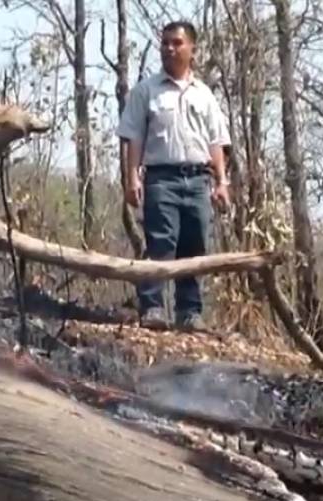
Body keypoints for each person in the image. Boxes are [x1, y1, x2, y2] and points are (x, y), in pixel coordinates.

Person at [116, 20, 232, 331]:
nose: (169, 48)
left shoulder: (205, 95)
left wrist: (221, 182)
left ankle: (189, 313)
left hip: (197, 180)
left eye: (177, 43)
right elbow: (133, 137)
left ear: (192, 49)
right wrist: (132, 179)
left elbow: (216, 141)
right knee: (161, 242)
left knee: (194, 246)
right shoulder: (146, 91)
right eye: (165, 43)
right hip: (161, 178)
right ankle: (152, 307)